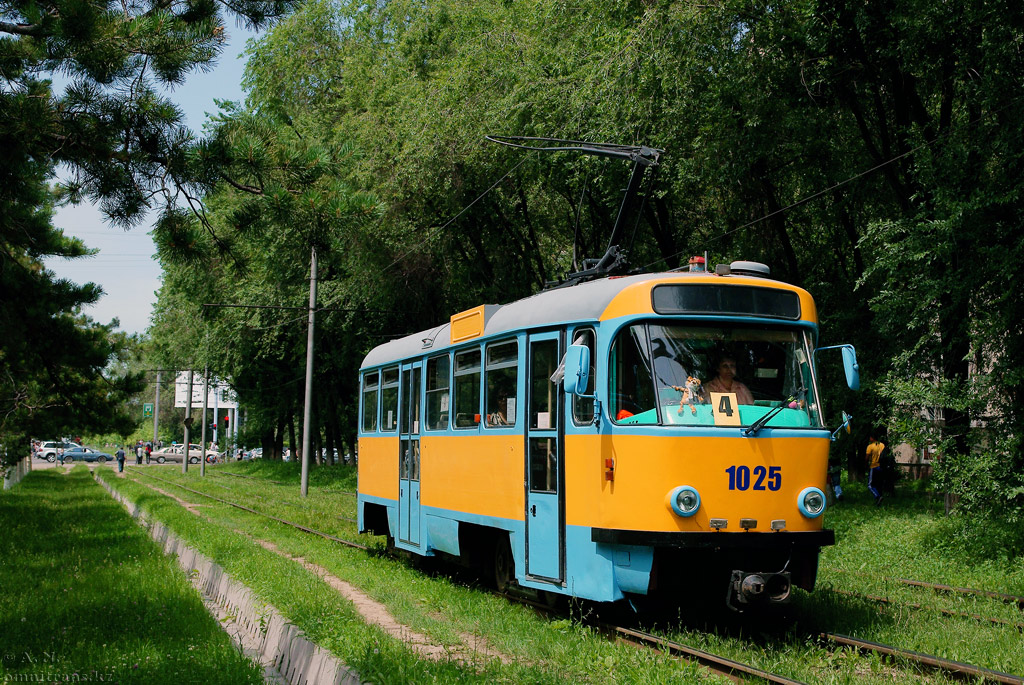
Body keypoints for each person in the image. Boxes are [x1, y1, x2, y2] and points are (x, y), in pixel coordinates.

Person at [866, 432, 885, 505]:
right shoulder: (882, 445)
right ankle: (879, 499)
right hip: (881, 467)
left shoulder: (870, 446)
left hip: (873, 466)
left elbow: (867, 457)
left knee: (870, 485)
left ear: (872, 438)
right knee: (879, 484)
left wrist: (866, 463)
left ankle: (877, 496)